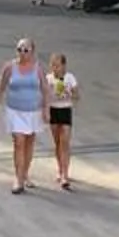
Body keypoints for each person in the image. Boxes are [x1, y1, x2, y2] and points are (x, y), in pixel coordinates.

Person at [0, 39, 46, 195]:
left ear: (32, 52)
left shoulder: (38, 68)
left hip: (33, 111)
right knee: (19, 142)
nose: (22, 53)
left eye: (26, 50)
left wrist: (46, 109)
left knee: (29, 142)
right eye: (19, 49)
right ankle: (18, 179)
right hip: (15, 111)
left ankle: (25, 173)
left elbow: (45, 89)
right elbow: (0, 88)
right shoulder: (9, 67)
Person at [43, 52, 80, 191]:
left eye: (57, 65)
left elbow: (77, 95)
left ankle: (65, 174)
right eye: (52, 65)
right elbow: (44, 95)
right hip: (54, 110)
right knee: (57, 142)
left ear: (63, 65)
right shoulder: (48, 78)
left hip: (65, 110)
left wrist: (68, 92)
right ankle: (60, 169)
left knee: (65, 141)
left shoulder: (70, 78)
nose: (54, 68)